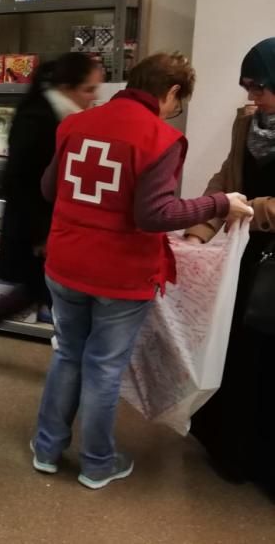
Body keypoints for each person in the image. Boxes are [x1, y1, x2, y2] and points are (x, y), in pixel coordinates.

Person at [30, 52, 253, 490]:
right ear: (171, 92)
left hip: (65, 263)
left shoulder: (77, 123)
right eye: (178, 103)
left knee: (67, 353)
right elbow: (154, 214)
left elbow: (48, 188)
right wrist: (219, 203)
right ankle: (98, 462)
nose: (174, 111)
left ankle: (46, 449)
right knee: (104, 367)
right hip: (120, 274)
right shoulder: (161, 138)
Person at [0, 53, 102, 361]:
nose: (94, 97)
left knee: (36, 288)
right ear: (66, 86)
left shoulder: (62, 114)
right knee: (52, 290)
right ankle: (73, 354)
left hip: (47, 223)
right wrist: (39, 235)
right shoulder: (39, 118)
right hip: (33, 225)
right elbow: (20, 181)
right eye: (88, 89)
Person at [185, 38, 275, 493]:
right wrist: (197, 230)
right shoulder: (248, 124)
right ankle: (231, 451)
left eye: (261, 88)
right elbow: (227, 179)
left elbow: (245, 199)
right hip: (249, 262)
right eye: (249, 88)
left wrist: (251, 208)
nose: (252, 98)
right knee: (238, 353)